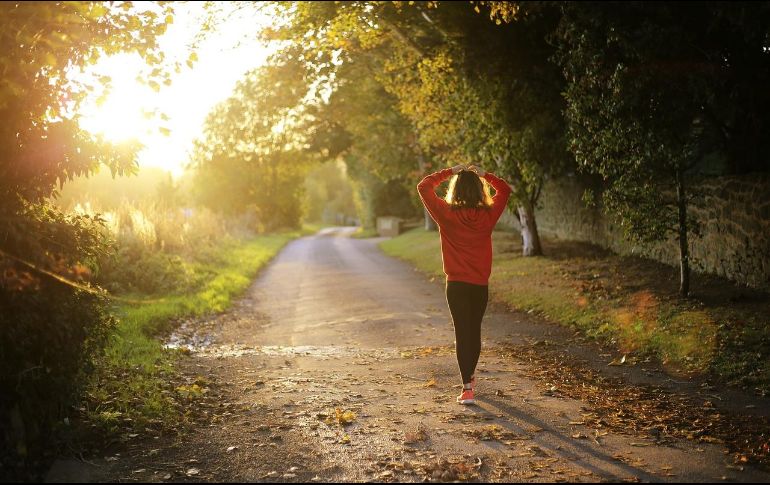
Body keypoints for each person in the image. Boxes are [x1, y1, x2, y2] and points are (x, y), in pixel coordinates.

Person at [417, 163, 512, 405]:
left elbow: (424, 186)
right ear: (480, 190)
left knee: (462, 332)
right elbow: (505, 190)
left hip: (456, 285)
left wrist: (450, 171)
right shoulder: (488, 215)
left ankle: (467, 387)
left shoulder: (446, 214)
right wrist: (485, 175)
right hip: (479, 285)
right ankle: (470, 376)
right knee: (474, 330)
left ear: (455, 189)